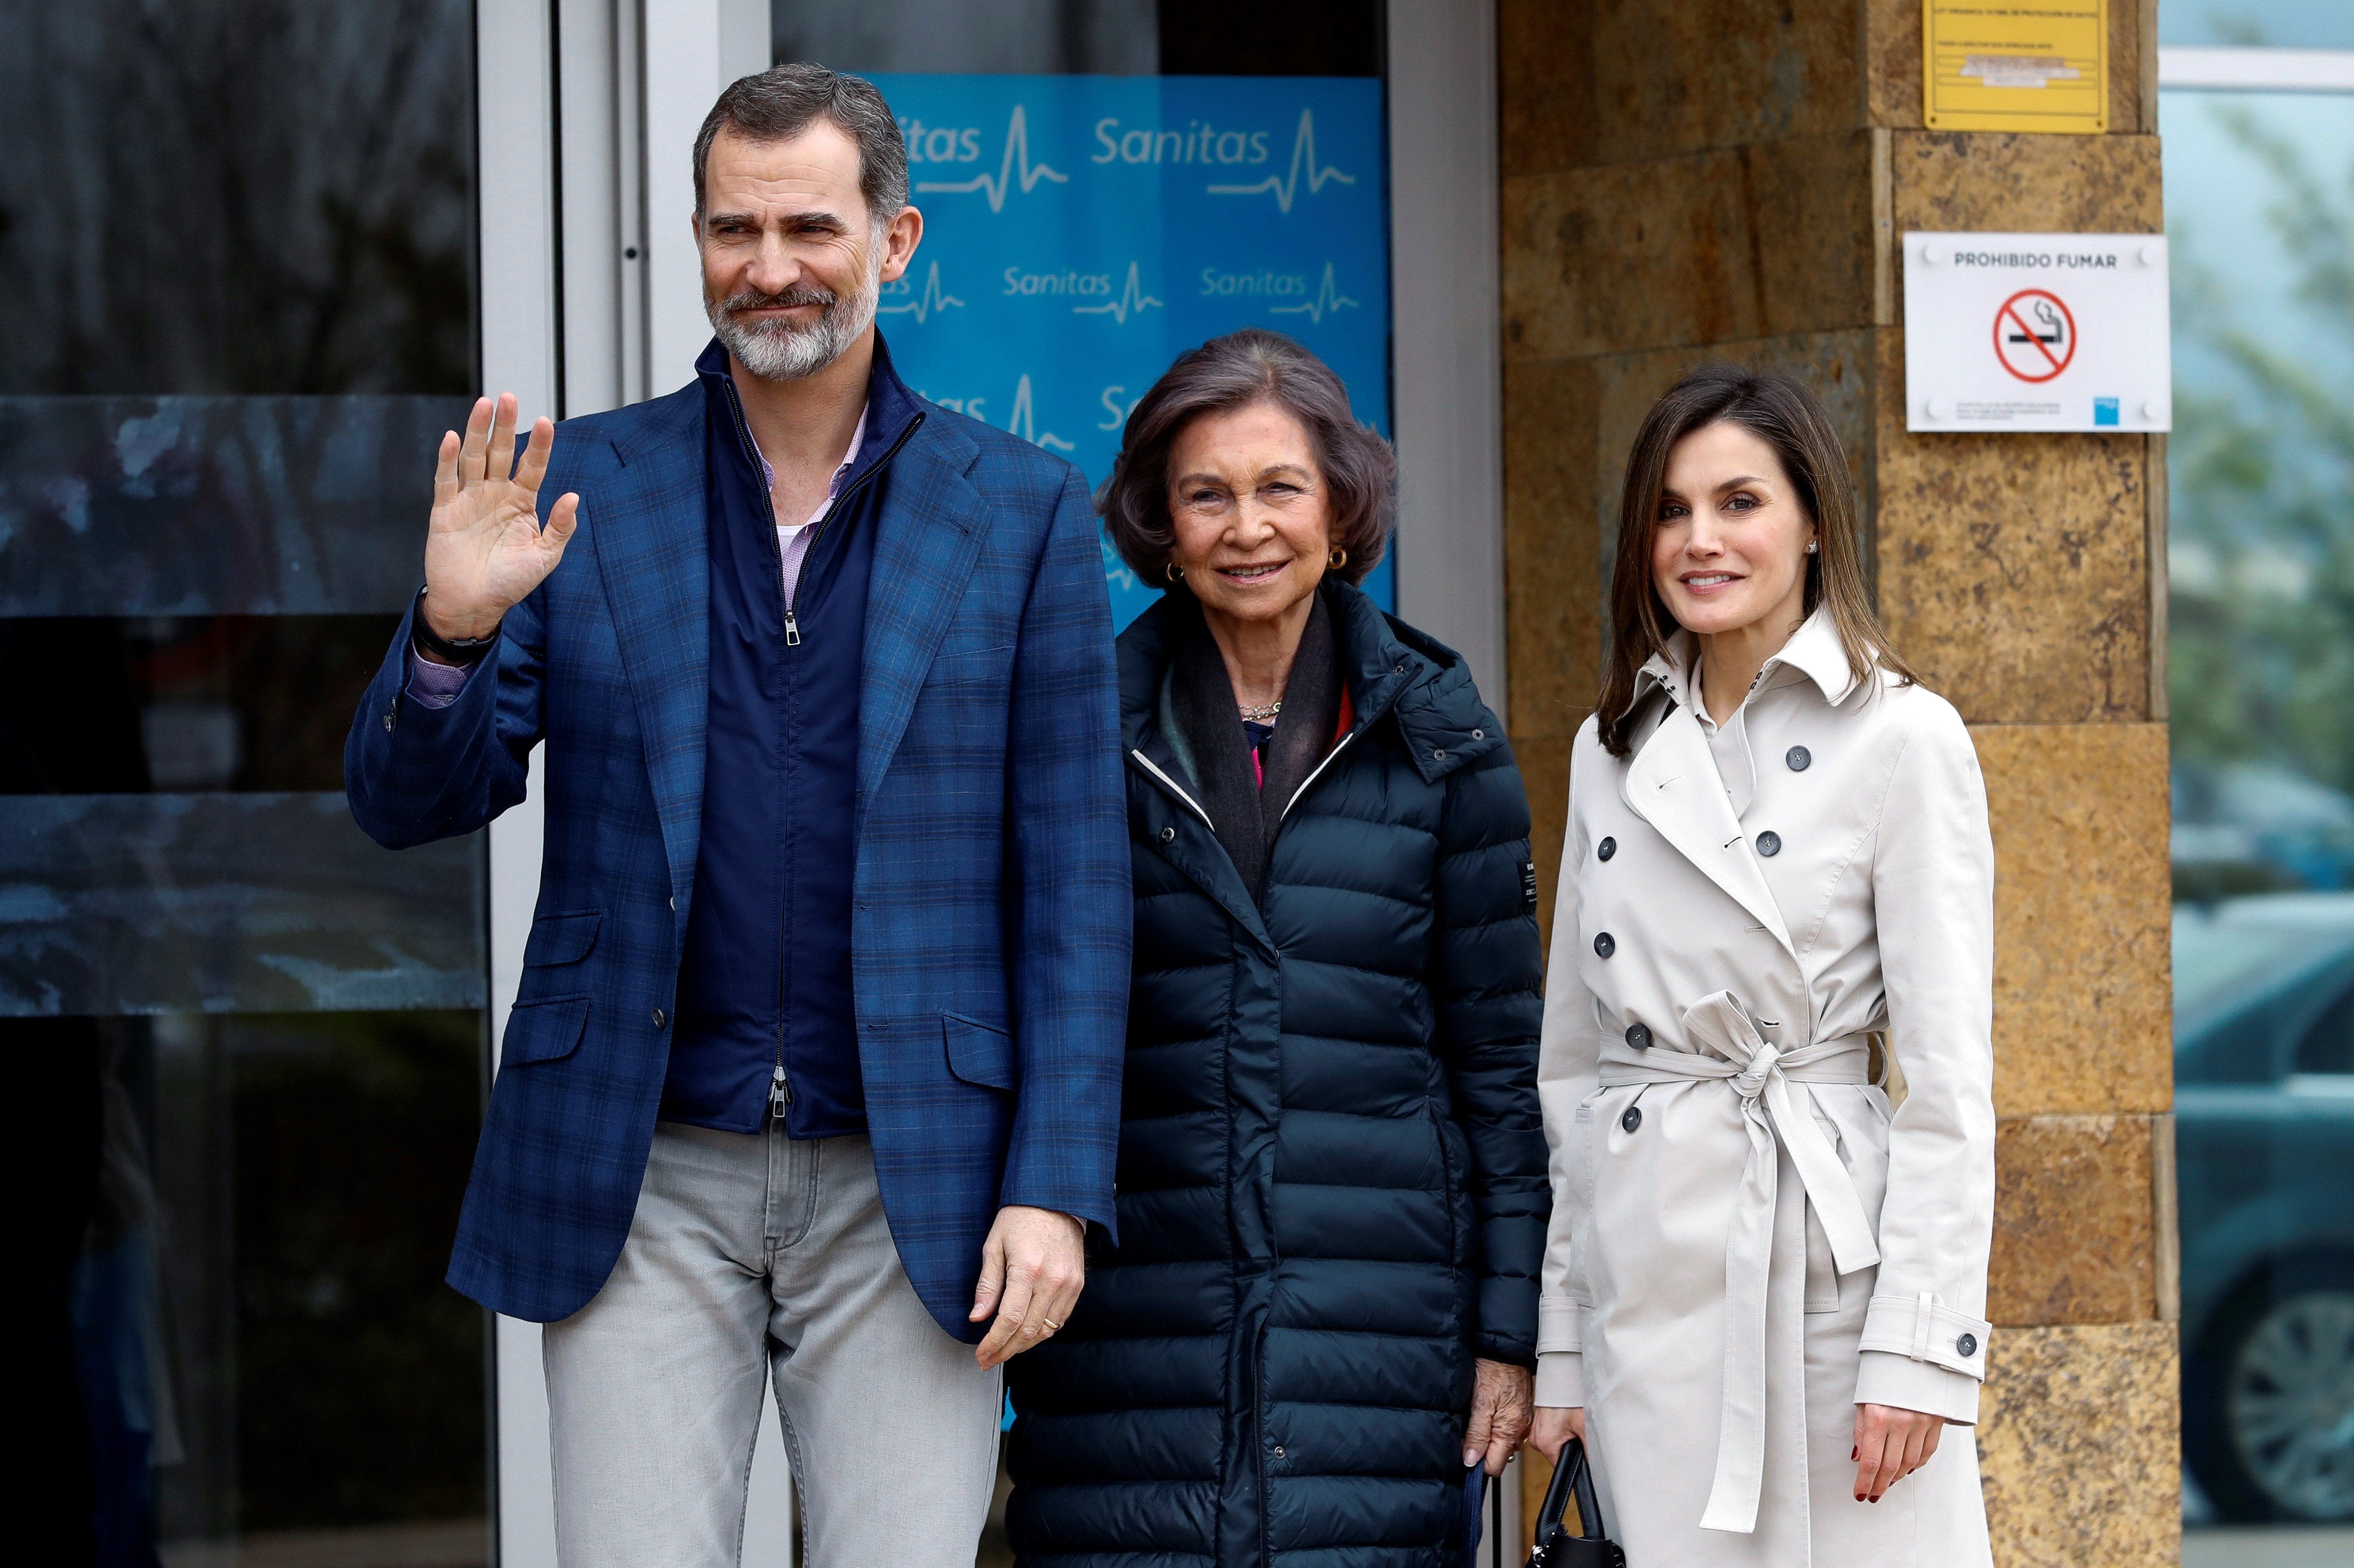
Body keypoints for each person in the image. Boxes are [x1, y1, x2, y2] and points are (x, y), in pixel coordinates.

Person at [342, 64, 1129, 1568]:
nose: (769, 266)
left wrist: (1052, 1182)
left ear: (896, 241)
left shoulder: (1016, 505)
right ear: (695, 240)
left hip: (920, 1181)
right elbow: (407, 803)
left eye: (810, 226)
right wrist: (445, 632)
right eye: (733, 227)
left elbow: (1074, 886)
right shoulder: (585, 492)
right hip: (638, 1172)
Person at [1002, 329, 1550, 1567]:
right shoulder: (1075, 720)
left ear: (1342, 507)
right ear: (1159, 521)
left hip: (1379, 1348)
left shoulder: (1441, 736)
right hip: (1128, 1349)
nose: (1245, 526)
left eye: (1278, 488)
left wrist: (1511, 1332)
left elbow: (1499, 1065)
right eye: (1206, 494)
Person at [1528, 366, 1996, 1565]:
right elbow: (1574, 1074)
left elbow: (1948, 1083)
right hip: (1645, 1275)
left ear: (1812, 521)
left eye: (1738, 501)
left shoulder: (1904, 734)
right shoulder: (1608, 746)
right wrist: (1563, 1344)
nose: (1700, 540)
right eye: (1671, 511)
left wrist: (1917, 1346)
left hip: (1826, 1281)